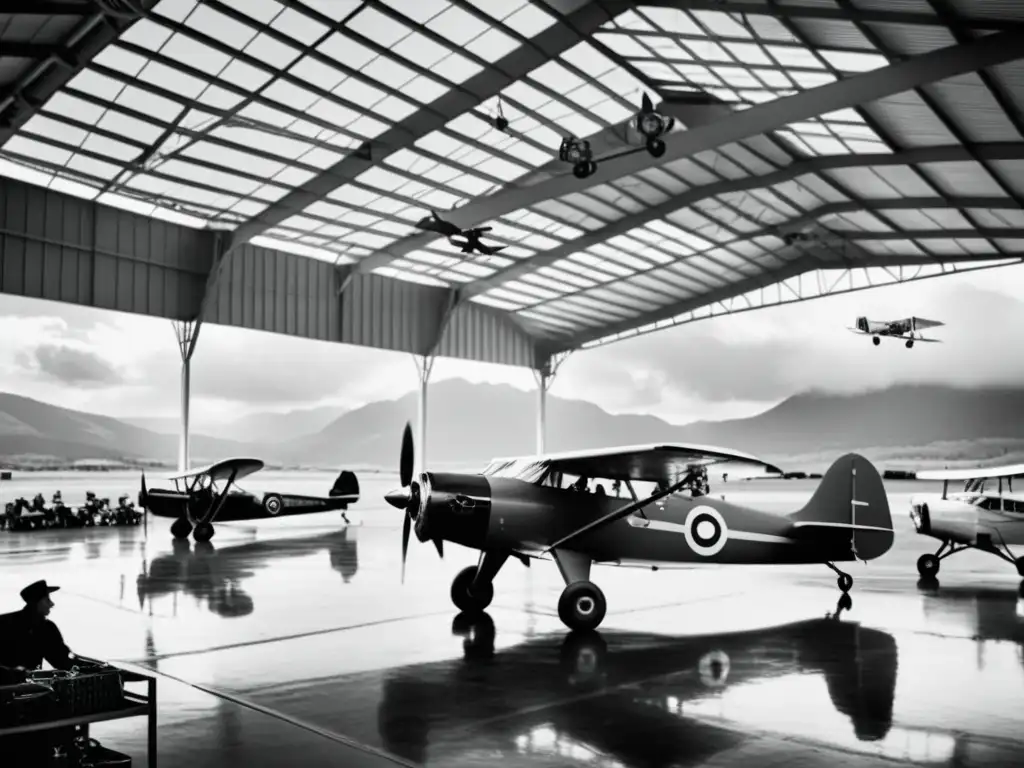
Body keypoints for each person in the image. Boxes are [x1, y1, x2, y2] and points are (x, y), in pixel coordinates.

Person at [0, 580, 75, 673]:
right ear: (35, 602)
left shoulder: (47, 628)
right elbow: (64, 662)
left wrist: (87, 667)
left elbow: (63, 660)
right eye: (47, 600)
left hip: (29, 685)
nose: (52, 604)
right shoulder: (4, 624)